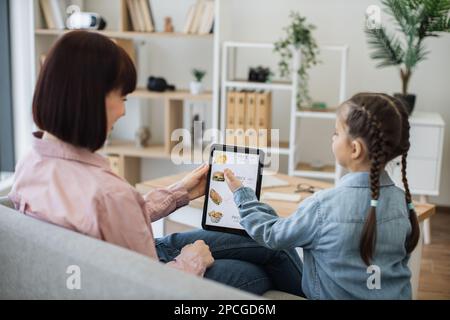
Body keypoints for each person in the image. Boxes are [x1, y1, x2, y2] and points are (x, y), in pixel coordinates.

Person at [8, 30, 303, 296]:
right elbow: (146, 291)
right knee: (260, 263)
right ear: (91, 99)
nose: (124, 111)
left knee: (259, 237)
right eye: (122, 98)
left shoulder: (32, 162)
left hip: (101, 268)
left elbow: (99, 223)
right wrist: (192, 261)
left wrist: (180, 193)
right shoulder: (107, 192)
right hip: (139, 277)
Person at [224, 93, 420, 299]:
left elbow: (272, 234)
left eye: (336, 133)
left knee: (254, 263)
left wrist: (242, 194)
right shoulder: (402, 203)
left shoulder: (323, 207)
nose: (332, 137)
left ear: (355, 149)